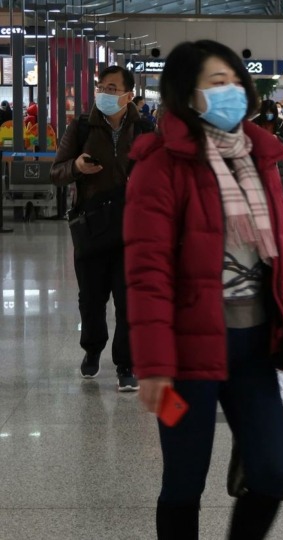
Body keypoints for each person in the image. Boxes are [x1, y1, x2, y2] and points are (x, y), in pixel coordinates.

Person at [123, 39, 283, 539]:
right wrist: (154, 365)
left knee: (272, 469)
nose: (232, 91)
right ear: (187, 93)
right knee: (184, 482)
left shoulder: (259, 156)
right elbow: (147, 273)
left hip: (254, 346)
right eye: (217, 82)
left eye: (236, 82)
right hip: (186, 353)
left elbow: (281, 258)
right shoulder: (160, 166)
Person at [50, 65, 149, 392]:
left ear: (128, 95)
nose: (105, 93)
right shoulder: (81, 127)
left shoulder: (145, 129)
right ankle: (92, 349)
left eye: (112, 88)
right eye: (102, 87)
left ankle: (126, 363)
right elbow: (56, 172)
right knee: (91, 300)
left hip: (133, 229)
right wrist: (76, 167)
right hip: (92, 227)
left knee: (129, 301)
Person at [253, 99, 283, 192]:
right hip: (260, 156)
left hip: (276, 157)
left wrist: (276, 137)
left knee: (277, 183)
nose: (269, 114)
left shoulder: (280, 122)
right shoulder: (255, 122)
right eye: (267, 112)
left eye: (271, 112)